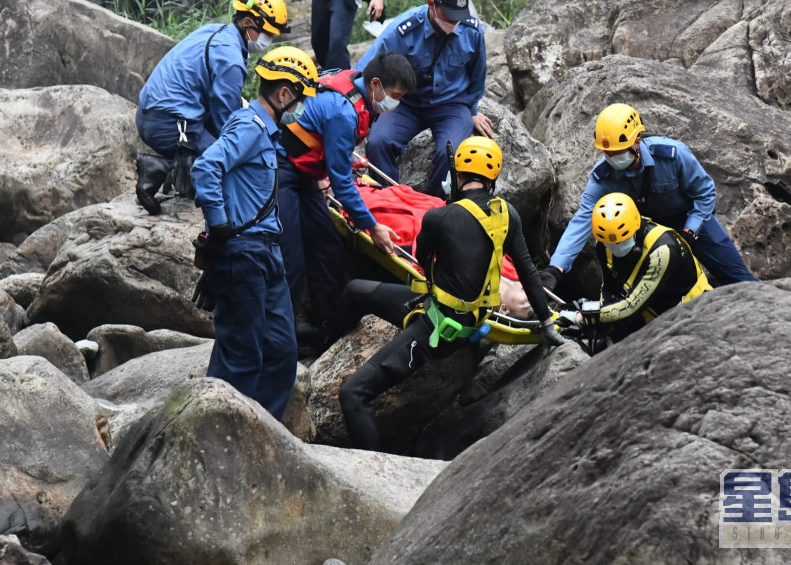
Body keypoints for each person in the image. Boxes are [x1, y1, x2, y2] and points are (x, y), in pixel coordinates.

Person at [338, 136, 563, 451]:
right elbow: (527, 271)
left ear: (458, 176)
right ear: (493, 178)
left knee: (353, 395)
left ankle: (380, 472)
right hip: (446, 315)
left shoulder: (439, 218)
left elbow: (422, 256)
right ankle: (325, 340)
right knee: (355, 290)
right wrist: (547, 323)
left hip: (436, 331)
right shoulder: (507, 214)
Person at [188, 46, 318, 420]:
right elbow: (205, 167)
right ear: (283, 94)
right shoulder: (248, 126)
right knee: (242, 355)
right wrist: (219, 224)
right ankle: (218, 432)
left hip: (268, 253)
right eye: (301, 99)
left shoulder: (267, 131)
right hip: (242, 252)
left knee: (281, 352)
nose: (301, 108)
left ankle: (263, 435)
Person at [276, 51, 416, 355]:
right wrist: (372, 226)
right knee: (293, 257)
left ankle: (326, 325)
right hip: (280, 168)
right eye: (395, 96)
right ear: (376, 84)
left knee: (328, 244)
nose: (396, 104)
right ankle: (279, 340)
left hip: (305, 172)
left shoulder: (354, 84)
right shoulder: (344, 112)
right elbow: (341, 183)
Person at [539, 103, 759, 289]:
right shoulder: (603, 176)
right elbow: (583, 219)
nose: (611, 157)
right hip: (647, 234)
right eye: (607, 153)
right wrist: (555, 267)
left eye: (618, 151)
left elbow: (705, 193)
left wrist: (690, 230)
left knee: (739, 280)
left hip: (691, 222)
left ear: (637, 141)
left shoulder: (673, 155)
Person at [135, 0, 290, 215]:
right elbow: (227, 124)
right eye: (268, 34)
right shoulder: (230, 60)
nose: (270, 40)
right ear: (248, 22)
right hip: (168, 123)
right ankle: (158, 169)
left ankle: (182, 165)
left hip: (153, 112)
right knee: (230, 169)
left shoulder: (216, 30)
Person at [354, 0, 491, 199]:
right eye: (449, 16)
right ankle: (391, 201)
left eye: (459, 16)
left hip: (452, 105)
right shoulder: (404, 30)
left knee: (451, 152)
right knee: (379, 142)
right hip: (407, 104)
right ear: (431, 5)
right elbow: (367, 69)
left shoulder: (471, 30)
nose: (454, 22)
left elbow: (478, 75)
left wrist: (472, 110)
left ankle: (432, 209)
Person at [563, 193, 713, 353]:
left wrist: (585, 315)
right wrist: (601, 317)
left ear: (636, 224)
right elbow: (609, 288)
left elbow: (631, 306)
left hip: (696, 312)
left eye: (622, 239)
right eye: (610, 243)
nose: (616, 245)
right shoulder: (604, 245)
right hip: (655, 317)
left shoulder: (663, 250)